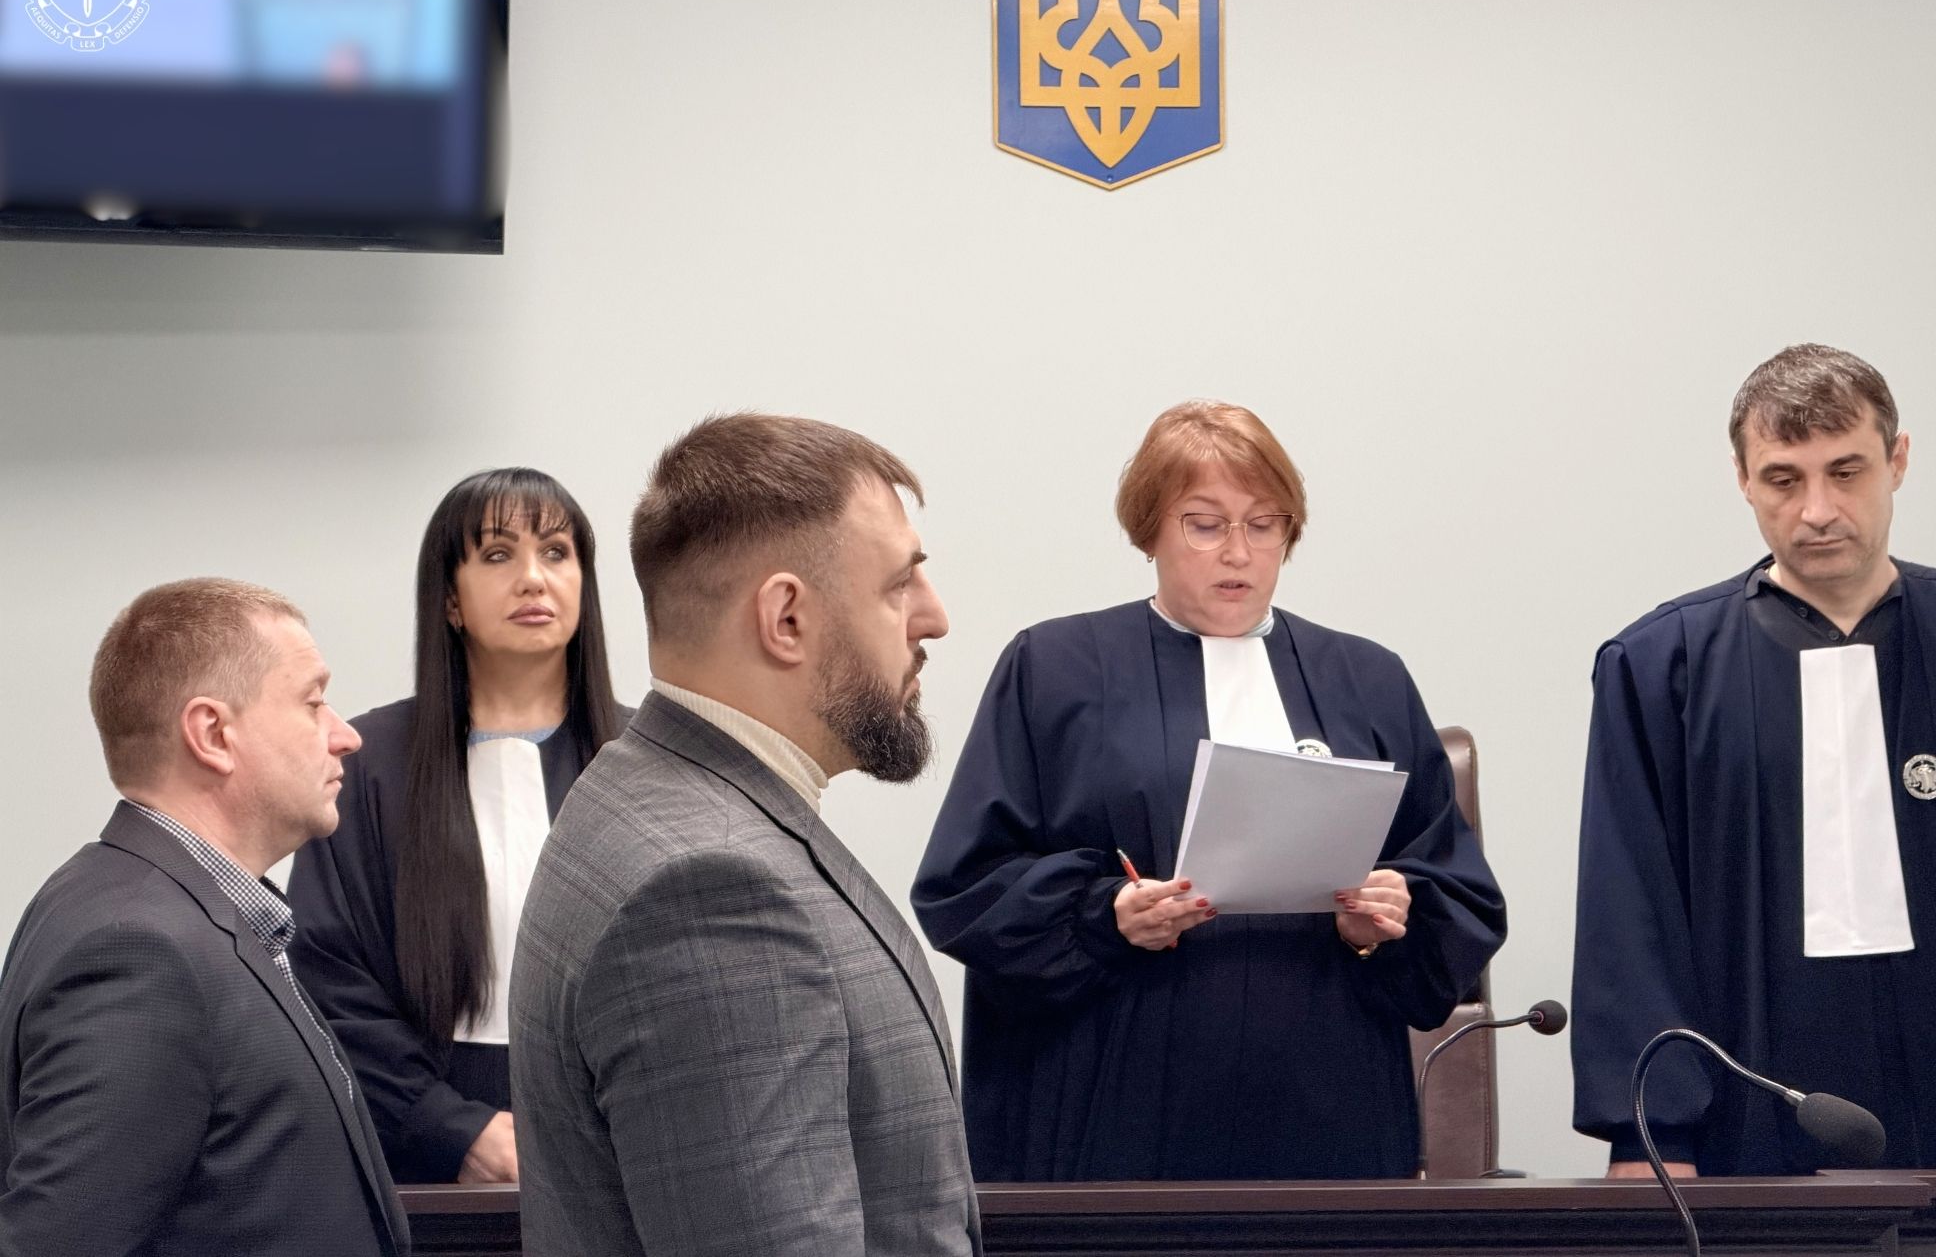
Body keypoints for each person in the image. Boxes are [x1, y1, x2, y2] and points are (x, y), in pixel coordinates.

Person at [912, 399, 1507, 1182]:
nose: (1238, 552)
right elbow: (967, 885)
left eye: (1264, 525)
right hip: (1109, 1106)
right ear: (1149, 530)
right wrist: (1105, 915)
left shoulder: (1367, 680)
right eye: (1204, 524)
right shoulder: (1054, 670)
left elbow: (1457, 892)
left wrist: (1385, 917)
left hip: (1327, 1104)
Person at [510, 414, 979, 1256]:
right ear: (786, 619)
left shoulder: (644, 788)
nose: (934, 618)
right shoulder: (708, 892)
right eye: (899, 585)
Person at [1571, 344, 1936, 1176]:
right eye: (1783, 479)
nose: (1818, 510)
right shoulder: (1660, 669)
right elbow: (1630, 917)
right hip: (1752, 1107)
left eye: (1846, 472)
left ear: (1898, 461)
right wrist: (1650, 1133)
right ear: (1742, 479)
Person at [0, 579, 409, 1256]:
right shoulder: (140, 953)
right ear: (213, 734)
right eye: (312, 703)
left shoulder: (157, 911)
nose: (345, 736)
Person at [289, 468, 627, 1184]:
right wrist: (453, 1129)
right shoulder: (368, 765)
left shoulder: (648, 761)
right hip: (430, 1171)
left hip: (628, 1155)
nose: (533, 579)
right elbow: (330, 977)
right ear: (450, 599)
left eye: (556, 553)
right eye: (498, 554)